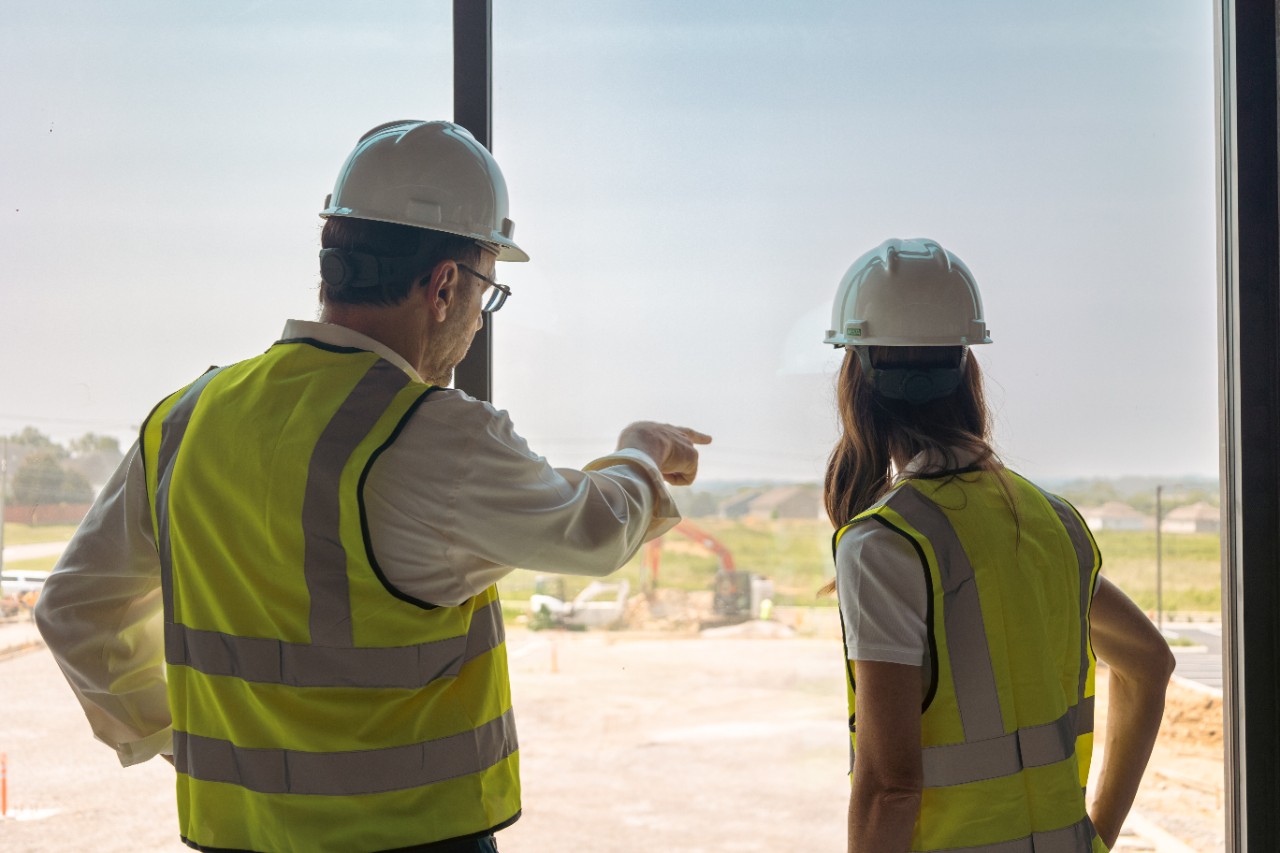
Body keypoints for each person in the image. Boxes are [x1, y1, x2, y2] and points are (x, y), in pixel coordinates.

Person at [35, 119, 710, 853]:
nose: (480, 321)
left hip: (233, 835)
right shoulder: (430, 433)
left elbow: (74, 608)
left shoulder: (188, 418)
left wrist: (181, 740)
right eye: (487, 291)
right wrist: (641, 452)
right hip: (410, 839)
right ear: (445, 285)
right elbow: (594, 530)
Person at [821, 238, 1173, 853]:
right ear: (969, 372)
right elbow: (1149, 663)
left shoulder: (886, 544)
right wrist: (1098, 835)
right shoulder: (1050, 521)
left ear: (856, 380)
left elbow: (890, 787)